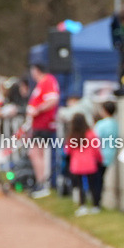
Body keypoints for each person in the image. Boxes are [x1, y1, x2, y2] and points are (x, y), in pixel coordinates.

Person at [26, 63, 60, 198]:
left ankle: (42, 183)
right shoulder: (42, 83)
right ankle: (41, 182)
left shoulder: (47, 81)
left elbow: (53, 100)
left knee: (36, 153)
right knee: (36, 153)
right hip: (38, 125)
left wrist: (37, 110)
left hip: (44, 125)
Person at [65, 112, 104, 216]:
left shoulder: (72, 136)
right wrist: (100, 159)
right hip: (90, 164)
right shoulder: (91, 134)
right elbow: (96, 149)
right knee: (93, 186)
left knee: (80, 186)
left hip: (77, 165)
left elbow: (68, 150)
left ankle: (83, 206)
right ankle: (95, 206)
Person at [94, 101, 119, 209]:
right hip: (110, 154)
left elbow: (94, 139)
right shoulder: (115, 124)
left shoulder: (101, 124)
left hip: (99, 155)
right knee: (101, 178)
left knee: (97, 180)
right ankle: (99, 201)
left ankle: (97, 202)